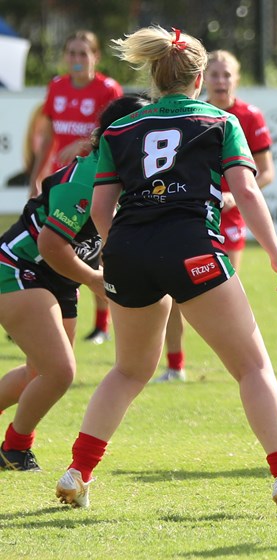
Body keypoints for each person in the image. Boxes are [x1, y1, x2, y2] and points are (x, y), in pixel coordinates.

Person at [54, 26, 277, 512]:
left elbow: (102, 204)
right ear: (200, 77)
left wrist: (111, 249)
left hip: (127, 249)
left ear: (154, 76)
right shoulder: (219, 121)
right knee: (252, 367)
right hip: (190, 245)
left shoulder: (121, 128)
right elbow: (247, 192)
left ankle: (77, 471)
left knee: (128, 370)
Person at [0, 95, 148, 471]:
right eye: (142, 128)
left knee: (39, 372)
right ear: (119, 135)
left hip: (58, 275)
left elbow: (94, 238)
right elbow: (50, 244)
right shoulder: (87, 176)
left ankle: (13, 446)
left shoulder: (125, 176)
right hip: (18, 266)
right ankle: (15, 447)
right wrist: (97, 281)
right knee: (59, 371)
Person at [155, 49, 275, 383]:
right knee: (175, 295)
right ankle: (175, 365)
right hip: (188, 216)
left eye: (227, 75)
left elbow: (265, 173)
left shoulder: (248, 117)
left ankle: (244, 367)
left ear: (236, 79)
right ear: (202, 79)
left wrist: (232, 196)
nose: (220, 81)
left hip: (229, 218)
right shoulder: (193, 114)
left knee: (222, 295)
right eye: (215, 75)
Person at [31, 30, 123, 346]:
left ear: (96, 57)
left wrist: (80, 145)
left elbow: (115, 132)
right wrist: (37, 174)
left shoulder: (107, 89)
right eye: (71, 53)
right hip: (62, 184)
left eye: (83, 53)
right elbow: (48, 137)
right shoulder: (56, 87)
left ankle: (102, 324)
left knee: (97, 254)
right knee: (49, 246)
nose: (76, 59)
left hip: (95, 184)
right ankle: (38, 314)